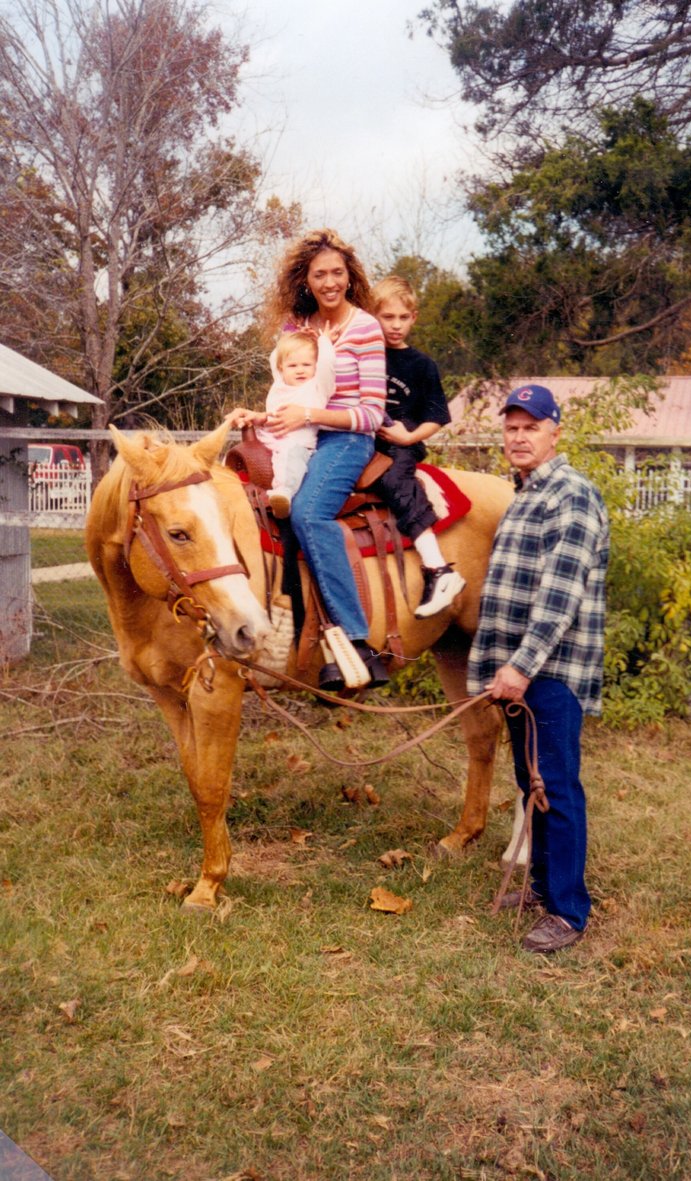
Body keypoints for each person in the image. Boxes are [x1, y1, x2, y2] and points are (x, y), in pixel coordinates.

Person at [467, 384, 609, 954]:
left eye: (531, 427)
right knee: (532, 784)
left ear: (556, 432)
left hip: (551, 672)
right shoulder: (526, 493)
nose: (519, 437)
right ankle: (545, 888)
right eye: (512, 427)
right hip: (521, 672)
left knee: (557, 787)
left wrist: (521, 667)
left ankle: (570, 912)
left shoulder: (570, 495)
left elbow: (560, 597)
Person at [230, 228, 389, 690]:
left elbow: (373, 413)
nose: (329, 282)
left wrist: (311, 413)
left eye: (337, 272)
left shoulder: (365, 329)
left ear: (349, 275)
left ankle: (359, 643)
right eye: (320, 274)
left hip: (345, 439)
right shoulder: (296, 330)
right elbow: (287, 392)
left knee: (308, 513)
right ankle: (280, 630)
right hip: (297, 433)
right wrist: (260, 416)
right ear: (306, 279)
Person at [371, 275, 466, 618]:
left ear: (414, 318)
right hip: (363, 438)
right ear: (374, 316)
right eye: (387, 317)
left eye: (403, 317)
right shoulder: (365, 355)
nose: (395, 326)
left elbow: (437, 415)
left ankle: (438, 568)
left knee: (395, 481)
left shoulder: (422, 365)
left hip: (401, 441)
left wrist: (409, 437)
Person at [240, 328, 336, 519]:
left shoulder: (317, 387)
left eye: (307, 364)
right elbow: (276, 357)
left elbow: (327, 366)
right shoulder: (280, 385)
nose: (300, 369)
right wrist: (293, 332)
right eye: (293, 365)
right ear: (282, 367)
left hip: (297, 445)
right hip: (269, 440)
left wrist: (324, 342)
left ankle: (284, 494)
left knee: (291, 463)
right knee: (241, 456)